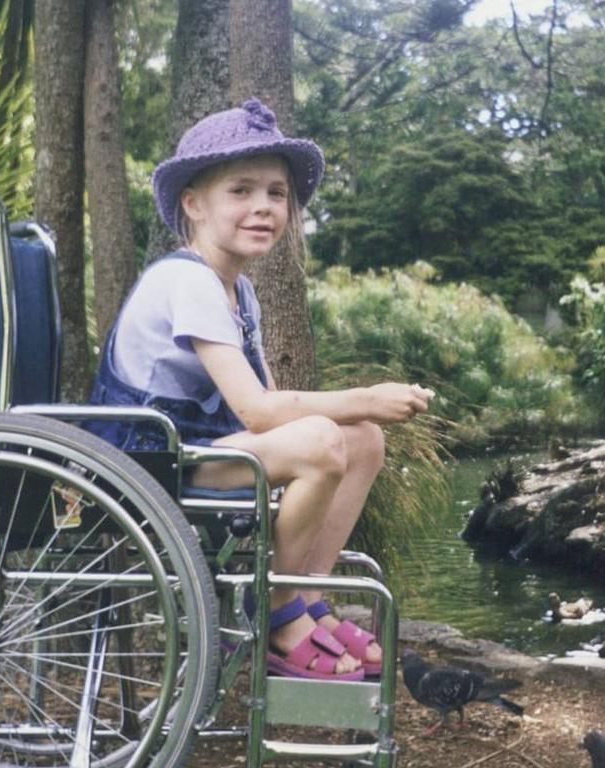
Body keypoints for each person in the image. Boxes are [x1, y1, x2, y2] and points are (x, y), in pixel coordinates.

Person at [87, 99, 434, 681]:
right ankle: (275, 611)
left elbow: (267, 412)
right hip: (145, 462)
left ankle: (306, 599)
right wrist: (365, 395)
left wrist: (361, 417)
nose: (263, 207)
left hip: (195, 453)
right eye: (241, 191)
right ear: (193, 204)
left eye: (276, 193)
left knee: (364, 441)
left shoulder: (238, 290)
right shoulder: (186, 280)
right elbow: (256, 410)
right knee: (326, 439)